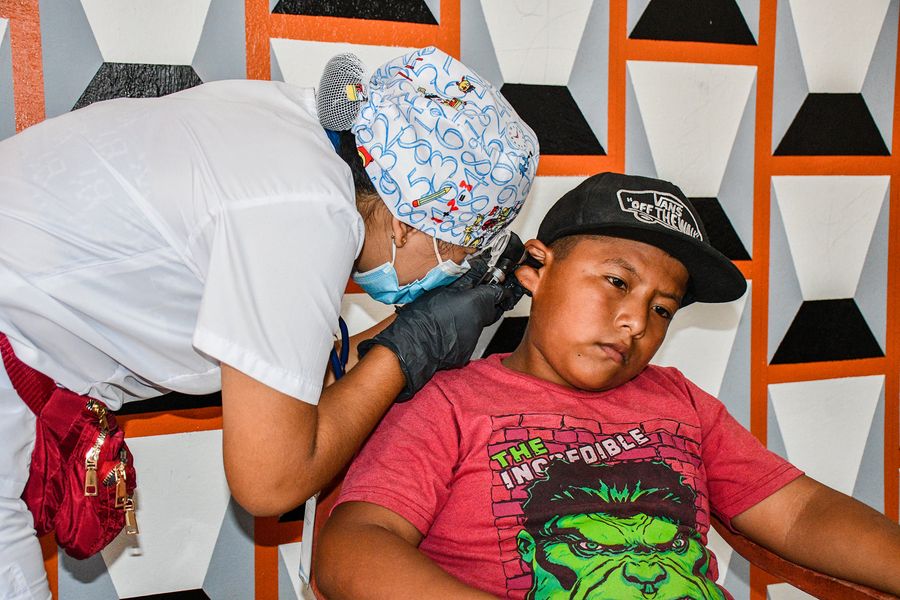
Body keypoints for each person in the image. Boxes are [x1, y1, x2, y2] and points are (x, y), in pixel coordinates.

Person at [0, 46, 538, 598]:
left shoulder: (293, 140)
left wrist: (408, 332)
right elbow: (270, 479)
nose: (451, 272)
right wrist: (412, 347)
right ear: (410, 223)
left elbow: (301, 390)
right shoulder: (308, 209)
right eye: (458, 254)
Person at [316, 172, 900, 599]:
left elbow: (798, 514)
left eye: (663, 308)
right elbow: (352, 549)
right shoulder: (449, 404)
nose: (637, 322)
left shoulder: (680, 401)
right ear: (535, 268)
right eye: (617, 282)